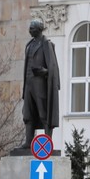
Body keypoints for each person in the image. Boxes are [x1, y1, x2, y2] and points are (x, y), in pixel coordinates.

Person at [19, 19, 60, 149]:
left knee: (44, 112)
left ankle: (48, 142)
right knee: (28, 113)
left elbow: (52, 66)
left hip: (41, 84)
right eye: (30, 28)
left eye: (32, 28)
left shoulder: (46, 44)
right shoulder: (29, 45)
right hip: (29, 84)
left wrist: (44, 71)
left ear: (39, 29)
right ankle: (28, 142)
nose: (30, 30)